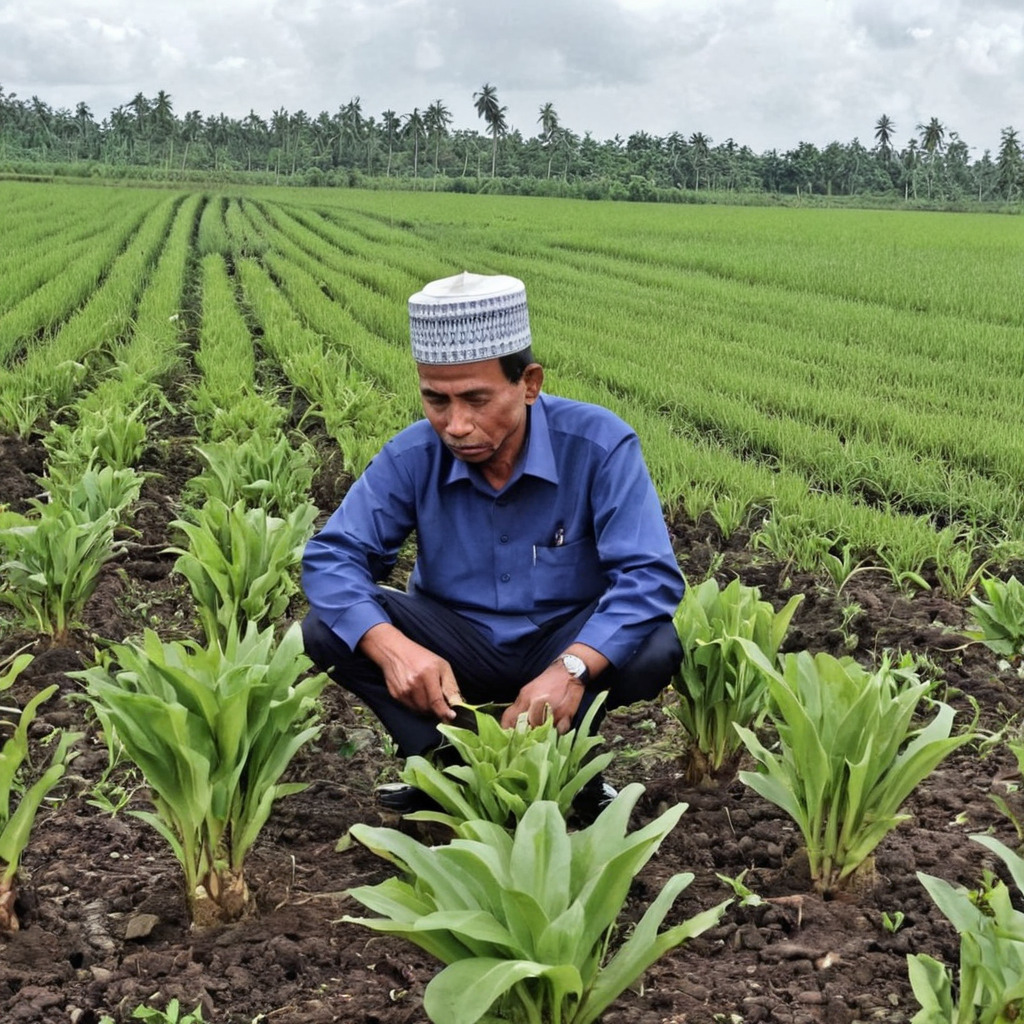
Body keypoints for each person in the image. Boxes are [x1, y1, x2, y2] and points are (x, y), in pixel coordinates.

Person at [301, 271, 684, 816]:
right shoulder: (413, 456)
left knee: (653, 645)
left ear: (528, 383)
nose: (455, 425)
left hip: (561, 638)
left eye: (476, 400)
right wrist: (394, 648)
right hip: (454, 643)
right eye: (436, 400)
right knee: (328, 629)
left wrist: (570, 669)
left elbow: (650, 575)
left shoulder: (599, 445)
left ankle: (570, 763)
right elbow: (332, 556)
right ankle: (443, 763)